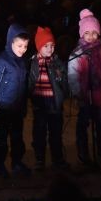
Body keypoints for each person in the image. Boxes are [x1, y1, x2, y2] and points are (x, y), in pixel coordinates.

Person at [68, 9, 101, 165]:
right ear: (82, 34)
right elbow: (73, 74)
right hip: (85, 95)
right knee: (83, 123)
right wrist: (77, 91)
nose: (91, 36)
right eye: (87, 33)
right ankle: (83, 151)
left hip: (100, 94)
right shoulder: (78, 53)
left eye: (94, 33)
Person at [0, 24, 31, 178]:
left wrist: (23, 105)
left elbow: (23, 86)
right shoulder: (1, 60)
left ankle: (17, 162)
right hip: (3, 108)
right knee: (1, 138)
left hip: (17, 108)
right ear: (10, 42)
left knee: (17, 138)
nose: (23, 49)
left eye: (25, 46)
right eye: (19, 46)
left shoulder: (23, 61)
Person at [28, 27, 70, 170]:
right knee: (39, 134)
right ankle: (40, 159)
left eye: (52, 46)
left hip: (55, 105)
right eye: (46, 46)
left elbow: (65, 82)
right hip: (40, 106)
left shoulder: (56, 62)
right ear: (39, 46)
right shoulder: (33, 63)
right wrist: (31, 97)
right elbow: (29, 83)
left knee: (56, 134)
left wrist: (60, 78)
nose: (49, 49)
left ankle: (57, 159)